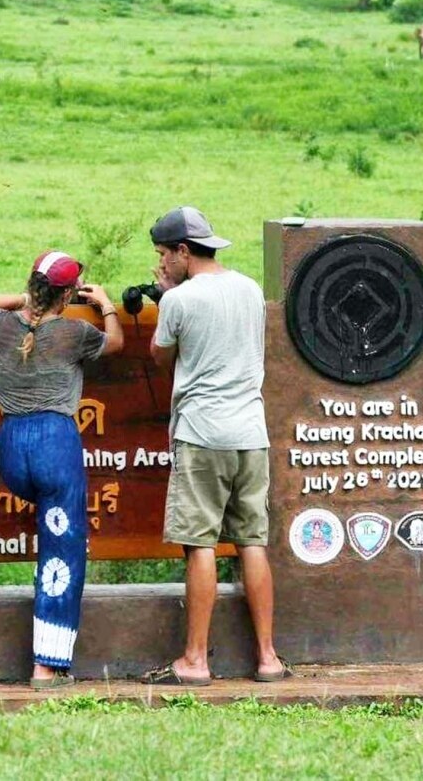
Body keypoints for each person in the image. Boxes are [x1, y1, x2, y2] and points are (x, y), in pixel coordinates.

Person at [0, 251, 123, 689]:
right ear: (69, 294)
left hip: (12, 446)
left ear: (33, 286)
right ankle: (47, 665)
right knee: (62, 550)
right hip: (55, 443)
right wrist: (106, 304)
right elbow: (116, 343)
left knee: (50, 535)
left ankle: (47, 658)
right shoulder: (73, 332)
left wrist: (21, 302)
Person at [143, 206, 286, 686]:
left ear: (184, 251)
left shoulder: (180, 300)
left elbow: (160, 358)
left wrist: (166, 299)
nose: (163, 263)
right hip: (251, 432)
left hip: (202, 433)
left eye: (165, 254)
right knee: (252, 542)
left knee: (199, 544)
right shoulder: (249, 289)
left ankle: (196, 660)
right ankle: (267, 657)